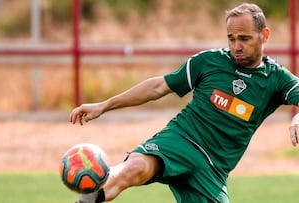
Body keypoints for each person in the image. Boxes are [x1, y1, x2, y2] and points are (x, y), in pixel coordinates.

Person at [69, 3, 299, 203]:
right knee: (136, 167)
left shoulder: (277, 79)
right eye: (231, 38)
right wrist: (103, 105)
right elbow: (158, 87)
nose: (236, 46)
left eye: (244, 38)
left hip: (213, 168)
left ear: (265, 35)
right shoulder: (209, 61)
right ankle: (92, 192)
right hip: (182, 139)